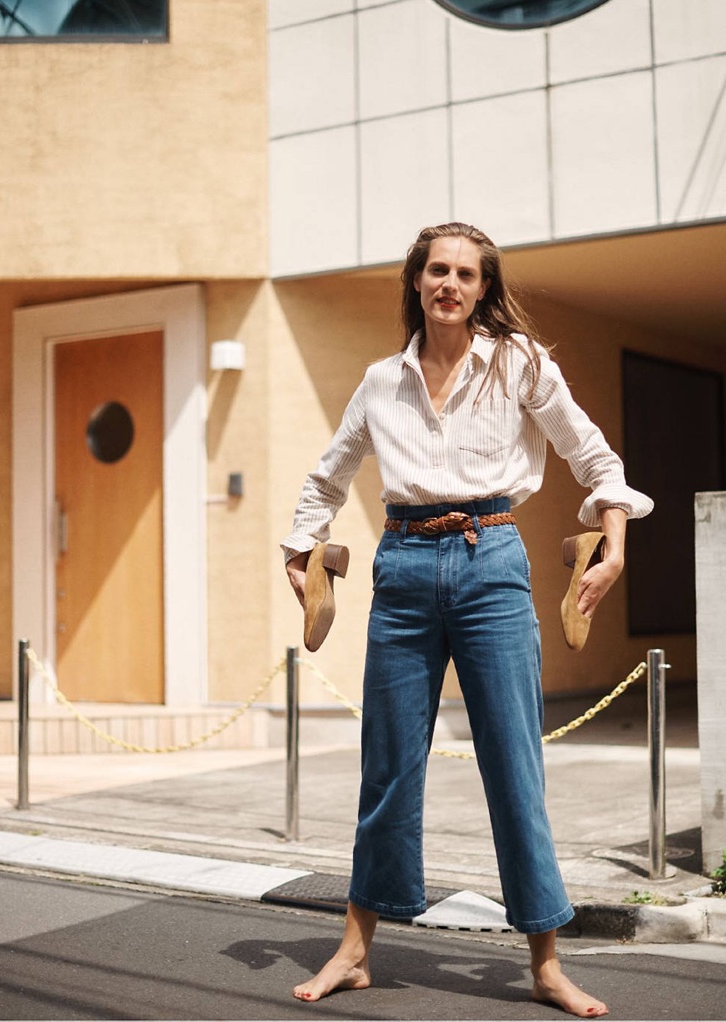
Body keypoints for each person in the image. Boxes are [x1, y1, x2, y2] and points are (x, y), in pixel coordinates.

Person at [281, 222, 653, 1018]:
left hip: (493, 563)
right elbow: (328, 474)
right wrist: (299, 548)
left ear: (484, 287)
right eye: (437, 270)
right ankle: (354, 949)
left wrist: (612, 538)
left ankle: (545, 962)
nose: (450, 283)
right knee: (388, 766)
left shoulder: (519, 363)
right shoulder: (383, 381)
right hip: (405, 567)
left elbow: (594, 457)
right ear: (416, 281)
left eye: (466, 273)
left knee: (514, 766)